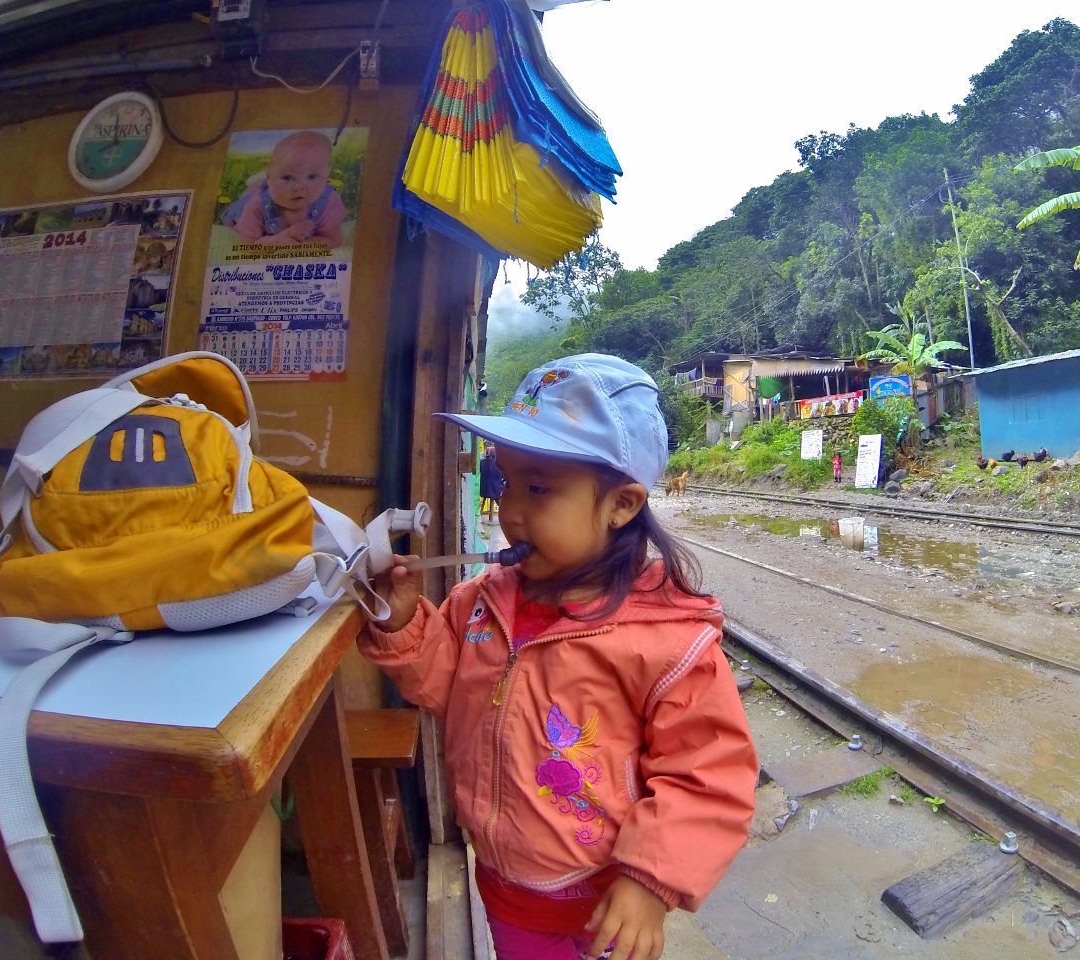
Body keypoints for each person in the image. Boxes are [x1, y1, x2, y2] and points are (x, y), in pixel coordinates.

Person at [361, 355, 757, 960]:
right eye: (506, 484)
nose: (511, 511)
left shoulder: (667, 641)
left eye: (539, 488)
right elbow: (446, 686)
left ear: (622, 504)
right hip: (502, 882)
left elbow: (708, 775)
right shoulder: (479, 603)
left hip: (607, 905)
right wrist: (399, 619)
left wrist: (650, 882)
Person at [220, 130, 347, 246]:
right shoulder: (257, 204)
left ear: (327, 175)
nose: (299, 187)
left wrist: (298, 247)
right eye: (287, 177)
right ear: (269, 176)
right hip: (251, 203)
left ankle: (263, 182)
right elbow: (246, 245)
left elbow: (333, 240)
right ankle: (257, 185)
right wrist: (282, 238)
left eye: (312, 176)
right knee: (241, 205)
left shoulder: (329, 201)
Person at [479, 443, 504, 520]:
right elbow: (503, 477)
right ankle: (503, 512)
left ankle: (480, 515)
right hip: (496, 491)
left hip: (483, 490)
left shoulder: (481, 463)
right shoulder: (498, 464)